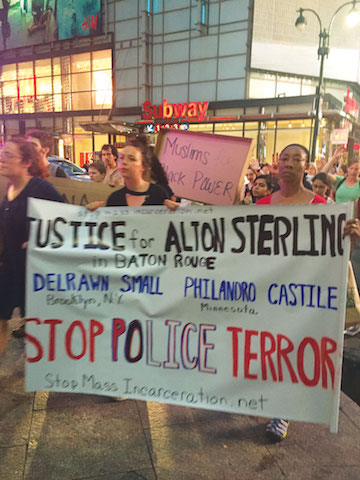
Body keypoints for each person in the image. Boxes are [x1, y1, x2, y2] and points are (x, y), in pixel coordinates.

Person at [257, 143, 360, 442]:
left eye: (296, 159)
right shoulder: (262, 206)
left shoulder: (323, 208)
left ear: (306, 166)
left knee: (291, 348)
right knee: (269, 347)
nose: (288, 163)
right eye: (284, 158)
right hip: (267, 290)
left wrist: (350, 239)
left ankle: (283, 410)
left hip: (303, 293)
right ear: (277, 165)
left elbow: (335, 255)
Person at [0, 138, 64, 353]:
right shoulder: (8, 191)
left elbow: (66, 219)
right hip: (10, 268)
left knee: (39, 328)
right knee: (1, 319)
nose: (2, 158)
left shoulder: (40, 188)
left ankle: (45, 378)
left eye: (9, 154)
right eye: (2, 152)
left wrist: (39, 239)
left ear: (26, 162)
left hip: (35, 270)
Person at [87, 135, 178, 211]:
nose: (124, 162)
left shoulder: (159, 194)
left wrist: (177, 211)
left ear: (143, 166)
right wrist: (92, 215)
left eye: (131, 158)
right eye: (122, 157)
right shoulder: (115, 199)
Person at [321, 146, 360, 211]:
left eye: (356, 169)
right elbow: (322, 174)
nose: (353, 172)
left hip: (354, 220)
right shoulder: (340, 181)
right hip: (338, 218)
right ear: (347, 169)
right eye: (351, 168)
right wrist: (334, 158)